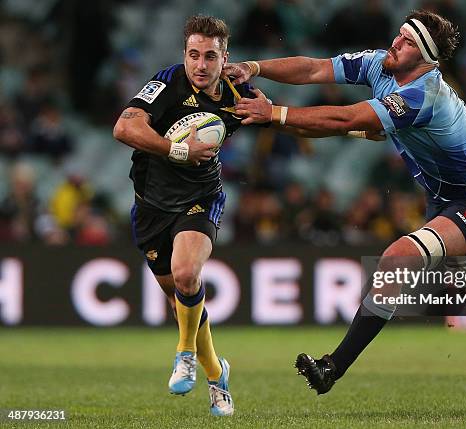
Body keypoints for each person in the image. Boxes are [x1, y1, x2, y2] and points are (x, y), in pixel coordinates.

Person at [225, 10, 466, 411]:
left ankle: (333, 367)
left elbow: (346, 118)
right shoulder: (381, 64)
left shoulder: (423, 95)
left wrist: (275, 114)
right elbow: (315, 69)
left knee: (396, 257)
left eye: (406, 42)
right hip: (446, 200)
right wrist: (255, 67)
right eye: (400, 34)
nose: (395, 43)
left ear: (424, 59)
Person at [113, 14, 356, 417]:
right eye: (193, 55)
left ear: (225, 56)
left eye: (210, 56)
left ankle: (184, 352)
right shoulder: (167, 83)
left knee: (188, 274)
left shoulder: (236, 91)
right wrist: (177, 150)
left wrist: (356, 129)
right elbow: (124, 128)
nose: (200, 65)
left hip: (201, 197)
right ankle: (216, 375)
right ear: (184, 55)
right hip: (151, 206)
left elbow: (288, 124)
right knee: (180, 303)